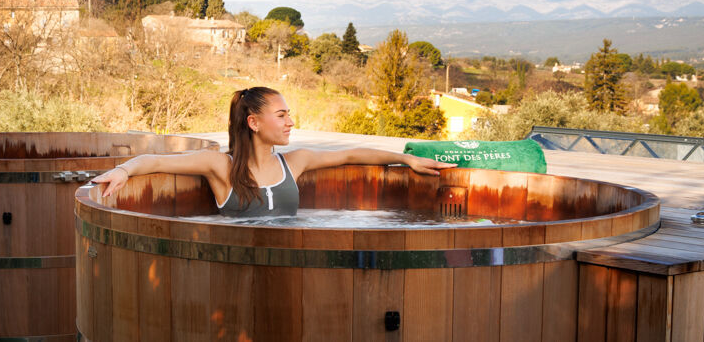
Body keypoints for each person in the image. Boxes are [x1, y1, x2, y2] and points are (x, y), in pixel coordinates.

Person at [91, 86, 456, 216]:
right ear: (253, 122)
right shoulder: (220, 166)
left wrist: (406, 158)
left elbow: (350, 155)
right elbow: (155, 159)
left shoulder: (294, 163)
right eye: (281, 115)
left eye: (289, 115)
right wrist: (123, 171)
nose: (290, 122)